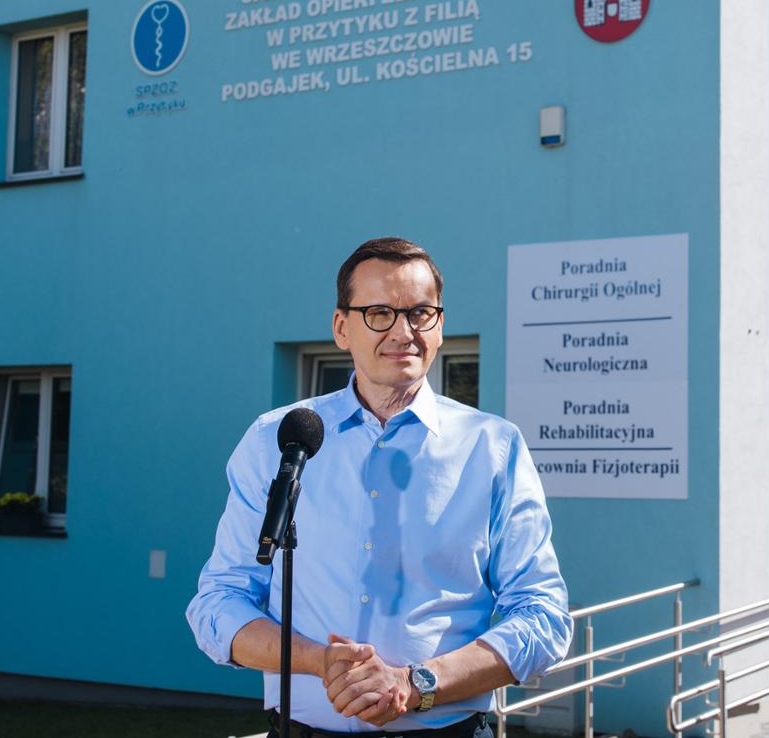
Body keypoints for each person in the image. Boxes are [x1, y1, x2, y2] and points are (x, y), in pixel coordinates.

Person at [187, 237, 571, 736]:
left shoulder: (493, 447)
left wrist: (416, 683)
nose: (403, 332)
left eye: (420, 313)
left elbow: (543, 616)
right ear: (341, 328)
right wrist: (318, 660)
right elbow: (219, 602)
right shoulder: (275, 441)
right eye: (379, 313)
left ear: (439, 326)